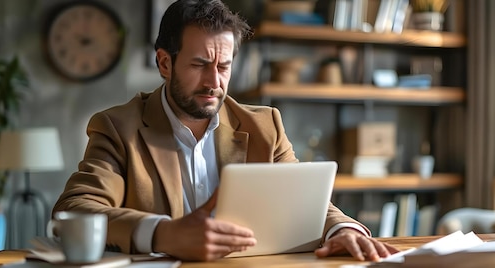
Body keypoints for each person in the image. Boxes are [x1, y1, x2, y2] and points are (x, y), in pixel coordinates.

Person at [53, 0, 398, 262]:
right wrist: (163, 234)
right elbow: (76, 209)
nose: (214, 82)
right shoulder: (118, 127)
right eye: (200, 65)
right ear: (164, 63)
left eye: (224, 66)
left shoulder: (265, 126)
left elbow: (306, 203)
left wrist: (344, 229)